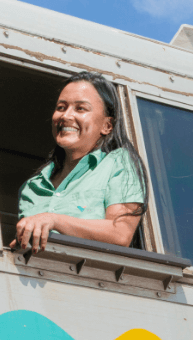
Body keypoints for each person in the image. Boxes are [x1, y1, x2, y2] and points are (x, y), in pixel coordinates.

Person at [10, 72, 149, 254]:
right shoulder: (31, 187)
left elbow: (120, 233)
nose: (66, 116)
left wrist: (54, 220)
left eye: (80, 109)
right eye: (61, 107)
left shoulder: (118, 163)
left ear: (107, 126)